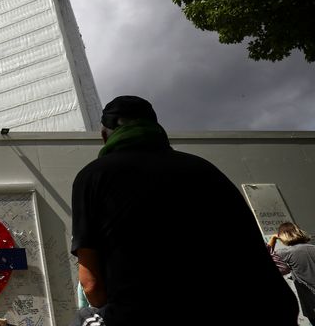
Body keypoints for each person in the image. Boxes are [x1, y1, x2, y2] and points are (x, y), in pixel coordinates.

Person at [70, 95, 299, 326]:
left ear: (103, 135)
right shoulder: (206, 169)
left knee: (84, 317)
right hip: (265, 310)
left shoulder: (92, 177)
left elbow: (91, 285)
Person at [269, 222, 315, 324]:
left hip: (311, 302)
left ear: (282, 236)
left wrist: (273, 239)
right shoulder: (312, 247)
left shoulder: (286, 252)